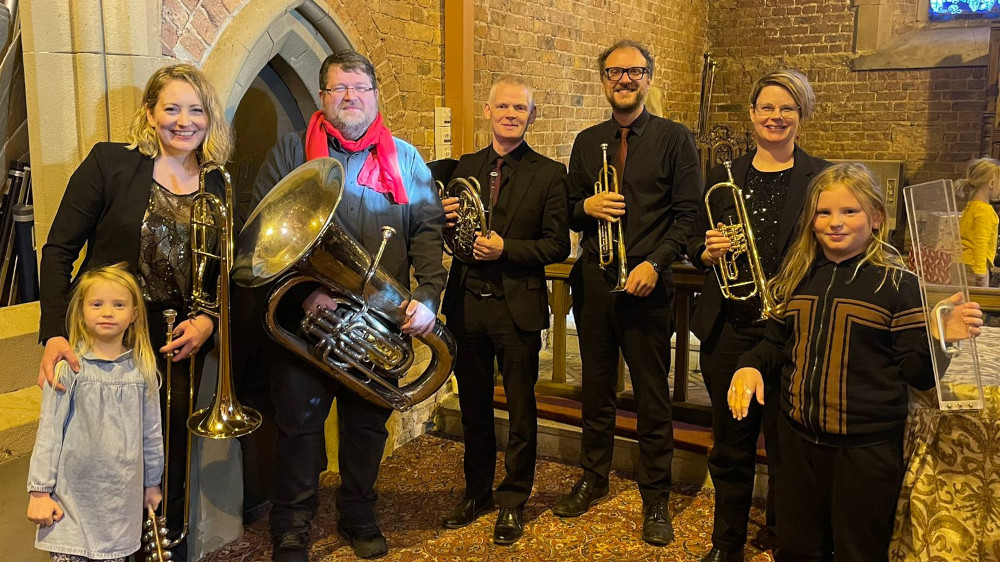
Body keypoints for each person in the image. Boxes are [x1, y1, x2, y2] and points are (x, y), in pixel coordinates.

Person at [728, 163, 983, 562]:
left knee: (858, 551)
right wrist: (750, 365)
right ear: (811, 219)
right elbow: (774, 345)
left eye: (850, 211)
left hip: (865, 452)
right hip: (797, 444)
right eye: (824, 212)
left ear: (877, 217)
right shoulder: (797, 274)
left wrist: (940, 338)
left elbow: (916, 374)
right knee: (795, 548)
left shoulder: (897, 284)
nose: (835, 223)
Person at [251, 49, 446, 561]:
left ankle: (359, 513)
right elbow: (263, 234)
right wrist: (305, 290)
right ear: (323, 97)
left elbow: (427, 231)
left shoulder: (406, 158)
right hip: (306, 316)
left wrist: (426, 296)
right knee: (298, 428)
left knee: (366, 427)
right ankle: (292, 525)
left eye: (360, 88)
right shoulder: (292, 152)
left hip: (380, 321)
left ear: (375, 96)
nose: (351, 98)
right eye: (339, 89)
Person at [37, 63, 233, 562]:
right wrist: (54, 335)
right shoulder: (110, 163)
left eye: (196, 110)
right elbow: (58, 249)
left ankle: (161, 550)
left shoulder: (218, 184)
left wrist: (208, 320)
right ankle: (88, 550)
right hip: (108, 333)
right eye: (171, 108)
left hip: (177, 338)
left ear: (210, 119)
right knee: (97, 455)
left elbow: (224, 271)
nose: (184, 121)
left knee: (163, 458)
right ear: (150, 114)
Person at [555, 39, 702, 546]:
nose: (625, 80)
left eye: (635, 72)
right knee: (595, 389)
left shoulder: (674, 139)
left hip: (646, 284)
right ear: (603, 81)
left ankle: (655, 494)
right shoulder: (586, 139)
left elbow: (689, 217)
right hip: (594, 282)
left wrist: (654, 264)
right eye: (615, 72)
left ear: (648, 78)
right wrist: (586, 208)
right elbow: (568, 210)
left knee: (652, 394)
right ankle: (593, 478)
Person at [686, 70, 830, 562]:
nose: (776, 116)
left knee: (790, 447)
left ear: (801, 115)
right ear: (751, 115)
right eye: (767, 107)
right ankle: (726, 546)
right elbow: (692, 239)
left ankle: (785, 534)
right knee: (731, 447)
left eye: (787, 108)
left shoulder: (821, 176)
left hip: (793, 331)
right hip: (729, 327)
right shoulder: (724, 176)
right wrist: (706, 251)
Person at [438, 76, 570, 545]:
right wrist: (444, 219)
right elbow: (442, 229)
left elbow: (557, 243)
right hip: (467, 305)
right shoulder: (464, 166)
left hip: (517, 308)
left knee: (520, 411)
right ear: (488, 111)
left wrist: (507, 249)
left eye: (521, 108)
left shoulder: (551, 173)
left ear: (532, 116)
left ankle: (513, 499)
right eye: (503, 106)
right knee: (473, 407)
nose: (511, 114)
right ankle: (477, 492)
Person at [27, 263, 164, 562]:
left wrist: (152, 483)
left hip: (119, 509)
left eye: (118, 305)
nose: (107, 312)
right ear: (81, 312)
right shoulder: (68, 370)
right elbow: (49, 432)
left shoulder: (143, 373)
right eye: (97, 304)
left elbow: (151, 434)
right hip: (71, 504)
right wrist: (39, 491)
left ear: (134, 314)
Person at [957, 157, 1000, 287]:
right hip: (974, 267)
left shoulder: (971, 207)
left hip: (961, 263)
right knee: (975, 304)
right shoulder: (985, 211)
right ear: (992, 184)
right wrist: (981, 272)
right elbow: (980, 242)